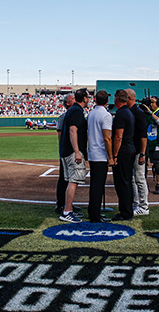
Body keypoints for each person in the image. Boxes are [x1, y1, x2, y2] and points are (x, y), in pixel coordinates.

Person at [58, 89, 89, 223]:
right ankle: (67, 211)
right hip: (72, 152)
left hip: (66, 151)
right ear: (84, 98)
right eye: (88, 97)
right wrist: (77, 151)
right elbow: (72, 131)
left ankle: (68, 208)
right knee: (74, 181)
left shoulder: (72, 110)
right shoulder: (76, 111)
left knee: (70, 180)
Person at [86, 90, 113, 223]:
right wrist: (111, 156)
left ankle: (93, 212)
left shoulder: (91, 113)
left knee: (95, 185)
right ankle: (95, 215)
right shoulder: (106, 115)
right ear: (107, 101)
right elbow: (107, 138)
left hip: (92, 153)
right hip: (100, 154)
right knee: (98, 185)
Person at [110, 90, 135, 221]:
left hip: (123, 152)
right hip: (129, 150)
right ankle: (127, 210)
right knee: (126, 182)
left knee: (122, 183)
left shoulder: (121, 114)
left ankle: (125, 212)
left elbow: (118, 137)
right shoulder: (129, 113)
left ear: (116, 99)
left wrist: (114, 155)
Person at [127, 90, 149, 216]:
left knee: (139, 178)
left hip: (138, 151)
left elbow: (143, 136)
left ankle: (144, 206)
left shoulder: (138, 112)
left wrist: (142, 153)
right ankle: (135, 204)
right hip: (132, 150)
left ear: (129, 98)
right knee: (132, 179)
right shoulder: (131, 111)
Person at [54, 93, 76, 215]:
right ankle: (60, 204)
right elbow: (60, 135)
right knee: (64, 178)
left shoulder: (72, 115)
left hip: (69, 151)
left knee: (70, 178)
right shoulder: (63, 117)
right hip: (66, 152)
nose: (75, 100)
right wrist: (63, 150)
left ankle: (69, 203)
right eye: (72, 99)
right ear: (67, 103)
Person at [147, 97, 159, 194]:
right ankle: (144, 184)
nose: (151, 104)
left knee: (157, 166)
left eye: (153, 102)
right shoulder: (145, 113)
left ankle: (158, 184)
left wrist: (150, 113)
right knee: (143, 165)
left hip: (156, 143)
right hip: (146, 142)